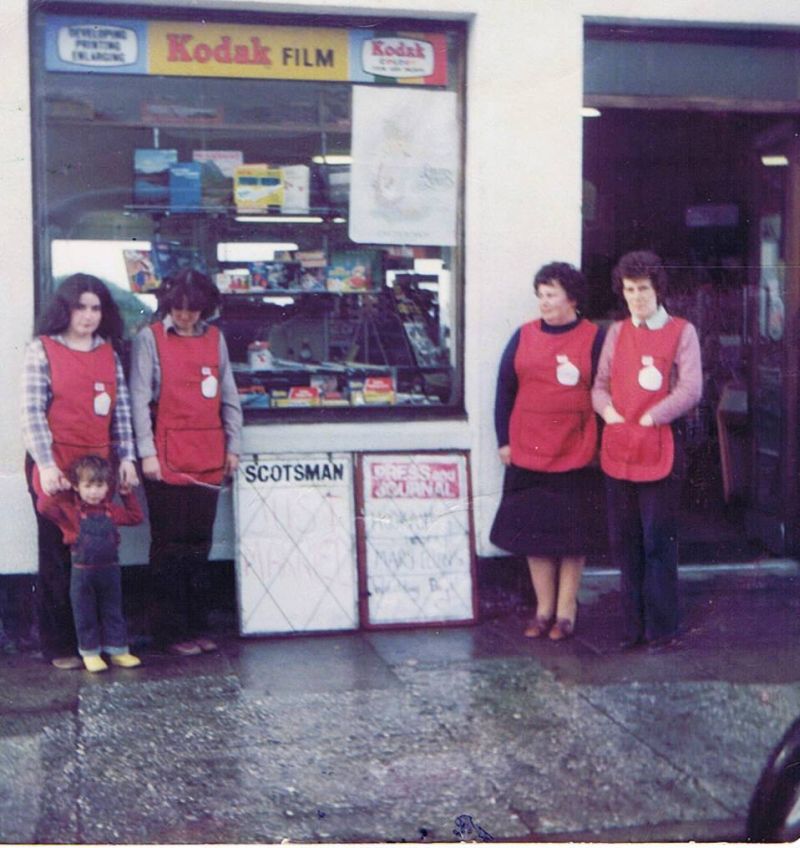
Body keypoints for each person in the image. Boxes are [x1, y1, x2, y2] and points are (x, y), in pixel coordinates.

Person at [21, 273, 139, 669]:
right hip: (54, 464)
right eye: (80, 307)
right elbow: (32, 413)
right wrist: (47, 465)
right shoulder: (43, 350)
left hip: (97, 470)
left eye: (95, 308)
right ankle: (61, 645)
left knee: (96, 553)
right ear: (65, 309)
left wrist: (126, 460)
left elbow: (120, 413)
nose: (88, 316)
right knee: (57, 555)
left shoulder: (109, 352)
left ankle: (100, 642)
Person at [591, 250, 702, 651]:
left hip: (661, 446)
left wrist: (653, 417)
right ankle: (631, 628)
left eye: (643, 289)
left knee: (658, 542)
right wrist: (609, 414)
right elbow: (599, 384)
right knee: (626, 542)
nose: (636, 297)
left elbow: (691, 388)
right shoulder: (617, 333)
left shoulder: (681, 332)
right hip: (620, 446)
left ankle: (662, 628)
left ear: (658, 289)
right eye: (630, 290)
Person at [129, 268, 242, 657]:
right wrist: (147, 454)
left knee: (199, 546)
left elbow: (228, 395)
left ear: (205, 308)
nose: (185, 316)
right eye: (178, 308)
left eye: (193, 310)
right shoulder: (150, 339)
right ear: (168, 305)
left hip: (209, 453)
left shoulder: (216, 339)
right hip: (165, 459)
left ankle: (196, 626)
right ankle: (169, 633)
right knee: (169, 548)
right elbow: (139, 400)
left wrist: (233, 446)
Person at [490, 262, 604, 640]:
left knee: (574, 535)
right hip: (528, 450)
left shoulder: (595, 337)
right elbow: (505, 388)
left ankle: (567, 612)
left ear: (572, 298)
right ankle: (543, 611)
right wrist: (503, 440)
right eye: (540, 294)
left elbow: (606, 391)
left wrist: (602, 444)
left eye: (551, 294)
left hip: (577, 449)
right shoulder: (522, 336)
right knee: (535, 534)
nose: (544, 301)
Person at [37, 455, 143, 672]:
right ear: (77, 486)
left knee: (113, 611)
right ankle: (90, 653)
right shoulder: (70, 512)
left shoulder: (111, 510)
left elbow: (135, 517)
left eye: (99, 485)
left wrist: (127, 494)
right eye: (88, 485)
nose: (94, 491)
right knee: (85, 613)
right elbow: (44, 507)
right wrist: (59, 488)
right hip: (82, 575)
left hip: (110, 572)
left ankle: (118, 650)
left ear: (107, 487)